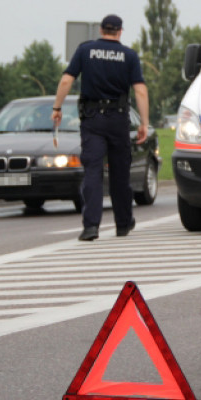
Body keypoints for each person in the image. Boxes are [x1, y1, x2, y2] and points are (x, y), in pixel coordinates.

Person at [51, 14, 149, 241]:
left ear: (101, 30)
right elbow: (140, 90)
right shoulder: (129, 55)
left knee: (93, 172)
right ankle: (123, 223)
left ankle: (91, 226)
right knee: (120, 173)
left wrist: (57, 107)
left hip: (92, 119)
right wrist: (144, 122)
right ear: (120, 31)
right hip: (118, 120)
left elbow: (66, 80)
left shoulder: (85, 50)